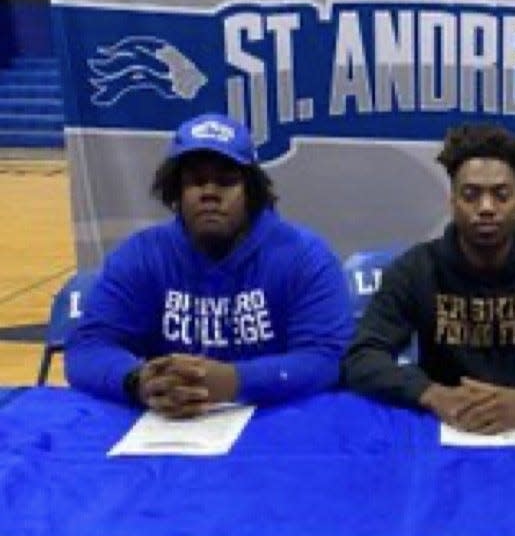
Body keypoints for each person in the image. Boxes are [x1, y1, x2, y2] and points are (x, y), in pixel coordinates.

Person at [65, 113, 353, 417]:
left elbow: (327, 359)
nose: (210, 193)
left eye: (226, 181)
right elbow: (87, 348)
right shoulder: (141, 255)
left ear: (252, 192)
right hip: (169, 430)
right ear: (175, 192)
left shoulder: (305, 256)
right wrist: (139, 380)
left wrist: (234, 381)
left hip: (276, 426)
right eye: (195, 181)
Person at [342, 123, 515, 434]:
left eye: (501, 195)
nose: (486, 208)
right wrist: (431, 394)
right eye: (471, 195)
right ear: (452, 201)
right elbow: (362, 357)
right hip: (441, 423)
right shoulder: (415, 269)